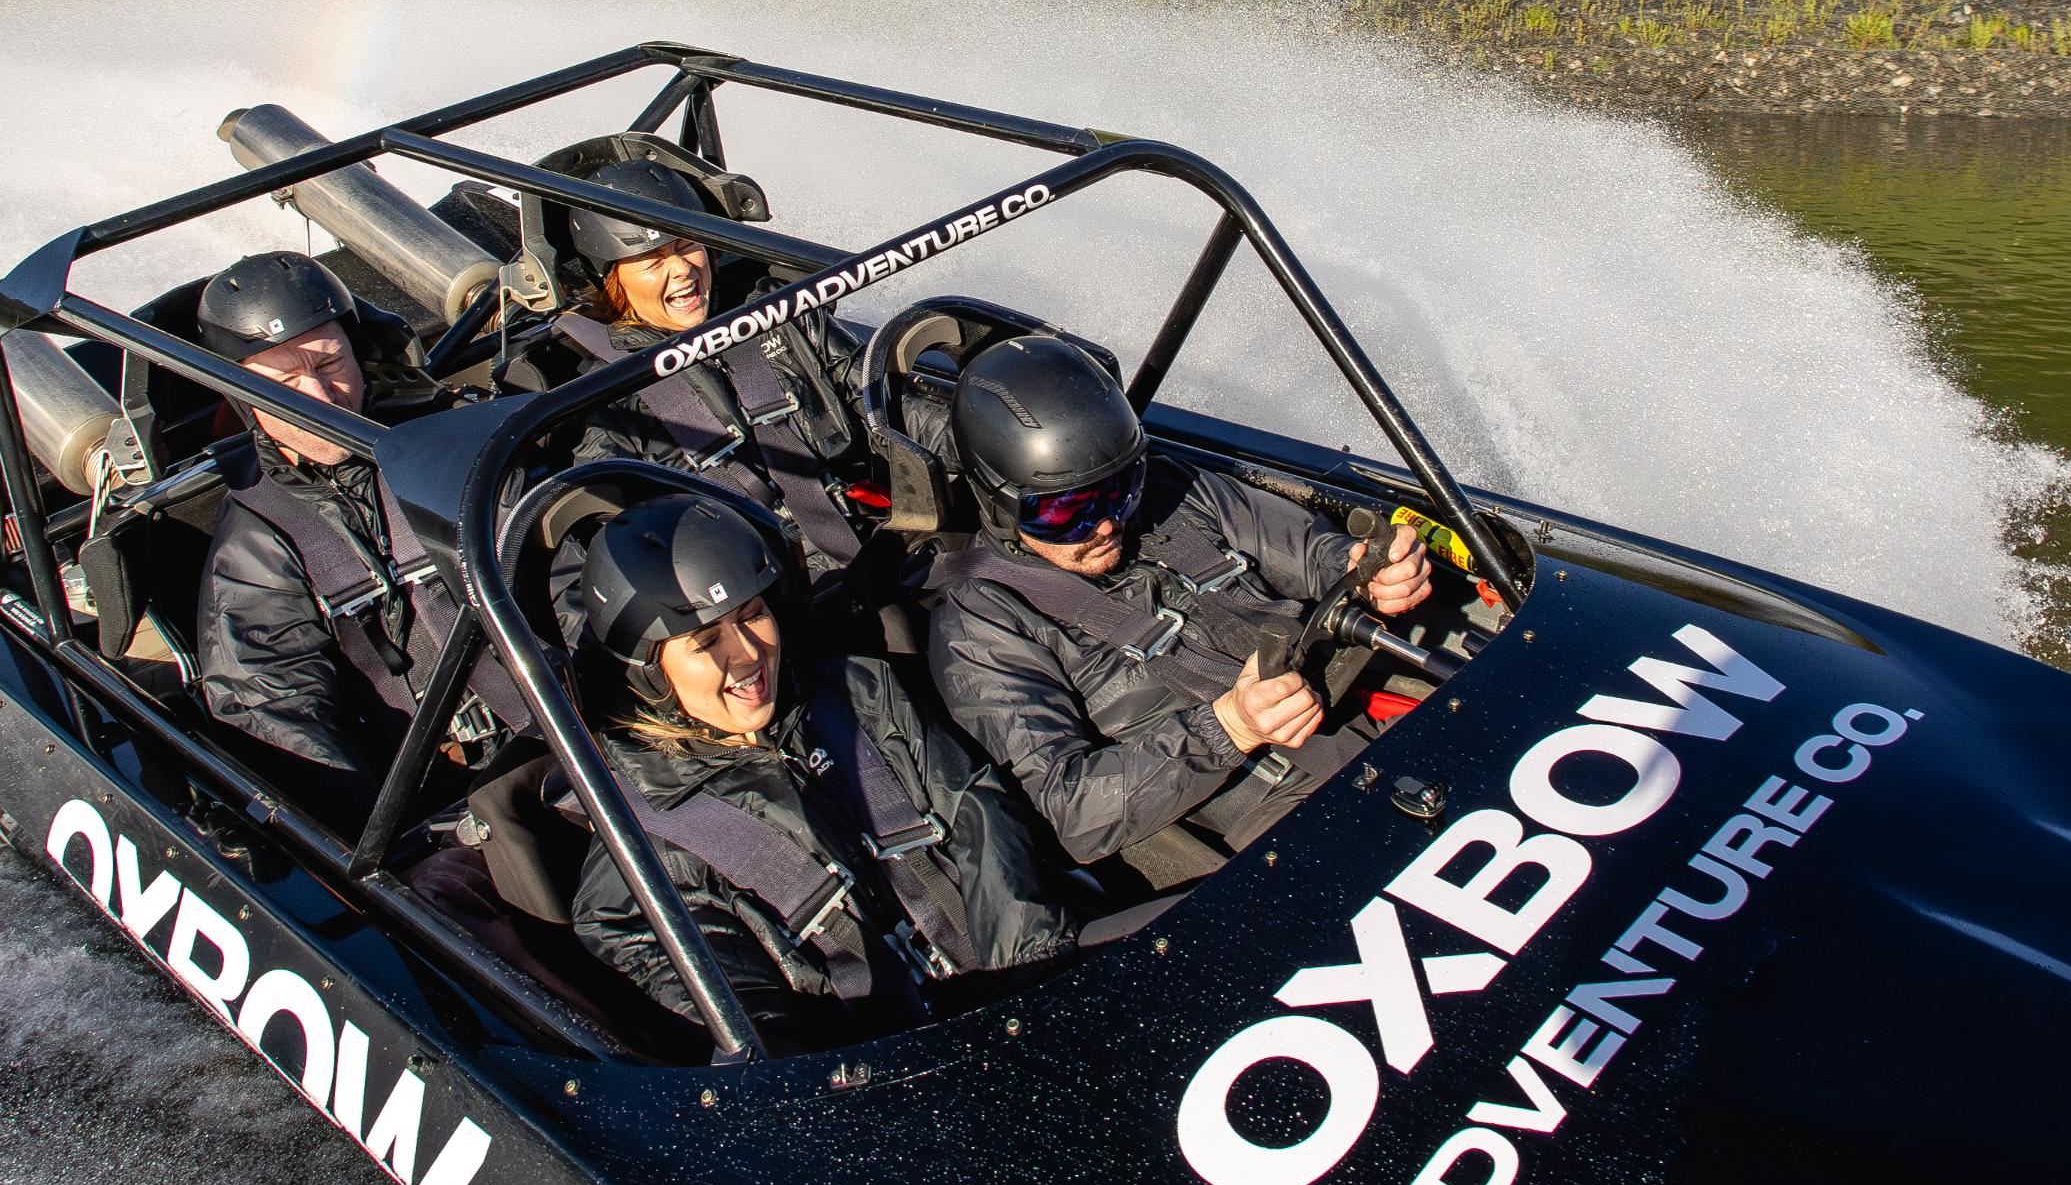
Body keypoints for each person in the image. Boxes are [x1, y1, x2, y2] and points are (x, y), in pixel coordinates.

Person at [546, 490, 1064, 1025]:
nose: (747, 653)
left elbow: (977, 812)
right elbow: (756, 1027)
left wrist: (1028, 976)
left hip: (1021, 982)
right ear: (649, 673)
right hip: (882, 1064)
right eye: (705, 642)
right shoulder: (646, 852)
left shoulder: (861, 694)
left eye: (752, 614)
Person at [925, 331, 1433, 876]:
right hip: (1277, 815)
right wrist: (1229, 727)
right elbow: (1069, 808)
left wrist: (1369, 570)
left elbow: (1313, 550)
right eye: (1063, 511)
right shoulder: (980, 623)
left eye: (1119, 487)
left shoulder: (1172, 490)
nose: (1105, 524)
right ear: (996, 501)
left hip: (1367, 723)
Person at [184, 250, 467, 811]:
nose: (319, 397)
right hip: (449, 798)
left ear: (361, 357)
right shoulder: (259, 540)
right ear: (243, 397)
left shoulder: (448, 447)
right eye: (285, 380)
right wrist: (389, 852)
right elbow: (271, 705)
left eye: (330, 363)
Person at [523, 133, 875, 579]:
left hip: (865, 547)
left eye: (687, 245)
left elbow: (878, 393)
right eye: (652, 260)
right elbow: (615, 549)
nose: (683, 270)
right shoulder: (605, 400)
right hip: (741, 600)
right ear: (612, 279)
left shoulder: (779, 317)